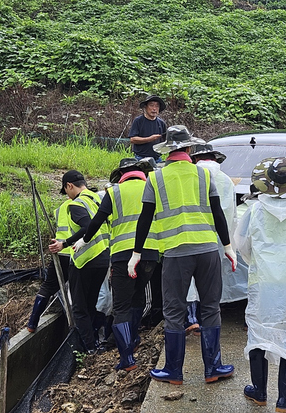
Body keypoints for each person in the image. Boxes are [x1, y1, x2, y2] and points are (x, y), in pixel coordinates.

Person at [133, 125, 236, 385]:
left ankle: (174, 372)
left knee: (174, 311)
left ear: (167, 150)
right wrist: (227, 247)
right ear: (189, 148)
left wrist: (136, 253)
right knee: (211, 308)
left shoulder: (155, 179)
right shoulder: (203, 175)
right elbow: (217, 213)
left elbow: (145, 218)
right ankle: (213, 368)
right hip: (208, 250)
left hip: (176, 254)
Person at [235, 157, 286, 413]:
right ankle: (285, 399)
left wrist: (261, 264)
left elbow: (243, 246)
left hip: (263, 282)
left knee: (259, 331)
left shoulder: (254, 211)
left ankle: (259, 391)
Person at [77, 158, 158, 371]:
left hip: (123, 256)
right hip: (150, 253)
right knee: (139, 295)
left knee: (121, 305)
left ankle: (127, 357)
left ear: (121, 175)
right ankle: (134, 337)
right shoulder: (153, 187)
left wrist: (83, 241)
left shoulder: (114, 192)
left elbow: (96, 221)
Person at [52, 170, 110, 353]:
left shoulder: (76, 204)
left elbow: (87, 227)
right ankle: (94, 341)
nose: (67, 196)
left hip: (85, 261)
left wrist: (65, 243)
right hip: (103, 258)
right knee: (91, 303)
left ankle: (89, 348)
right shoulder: (97, 198)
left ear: (69, 186)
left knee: (79, 307)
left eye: (66, 191)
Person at [185, 143, 237, 333]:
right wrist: (229, 243)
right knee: (212, 281)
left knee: (190, 280)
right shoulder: (226, 180)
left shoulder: (190, 176)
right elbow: (231, 215)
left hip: (192, 235)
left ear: (196, 159)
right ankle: (210, 319)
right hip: (218, 239)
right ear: (215, 159)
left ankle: (191, 317)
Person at [26, 197, 73, 333]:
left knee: (47, 287)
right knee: (77, 290)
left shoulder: (60, 208)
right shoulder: (83, 203)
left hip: (60, 252)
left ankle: (32, 323)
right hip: (77, 253)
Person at [129, 95, 167, 161]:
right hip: (141, 158)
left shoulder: (161, 123)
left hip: (157, 159)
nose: (154, 108)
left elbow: (164, 140)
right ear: (145, 107)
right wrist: (150, 139)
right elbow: (133, 139)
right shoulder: (138, 121)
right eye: (151, 105)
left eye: (157, 106)